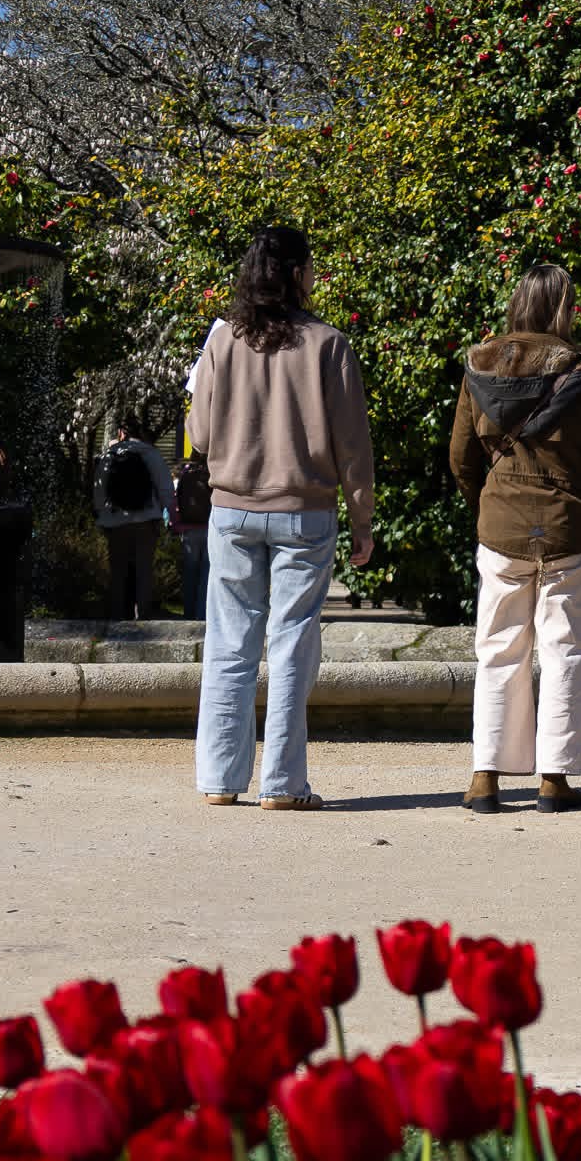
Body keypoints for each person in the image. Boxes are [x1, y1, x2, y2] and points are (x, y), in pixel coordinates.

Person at [190, 226, 375, 811]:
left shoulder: (223, 342)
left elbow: (197, 435)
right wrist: (363, 519)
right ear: (296, 273)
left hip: (232, 510)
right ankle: (283, 784)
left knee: (229, 644)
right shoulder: (328, 344)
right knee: (293, 645)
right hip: (305, 514)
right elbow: (352, 445)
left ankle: (220, 778)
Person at [448, 263, 581, 816]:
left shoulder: (479, 366)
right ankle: (554, 780)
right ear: (562, 308)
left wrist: (490, 503)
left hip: (501, 526)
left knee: (497, 648)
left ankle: (484, 778)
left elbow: (461, 459)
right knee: (564, 650)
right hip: (569, 524)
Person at [92, 421, 173, 620]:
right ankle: (143, 616)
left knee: (118, 571)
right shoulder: (151, 453)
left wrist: (103, 515)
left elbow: (99, 490)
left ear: (121, 433)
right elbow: (165, 488)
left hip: (116, 521)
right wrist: (163, 513)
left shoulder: (110, 455)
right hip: (146, 520)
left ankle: (119, 616)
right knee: (143, 570)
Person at [173, 452, 213, 621]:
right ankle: (201, 614)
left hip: (188, 530)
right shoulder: (211, 473)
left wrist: (177, 525)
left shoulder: (185, 475)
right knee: (206, 573)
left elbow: (177, 499)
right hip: (209, 529)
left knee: (190, 574)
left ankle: (188, 614)